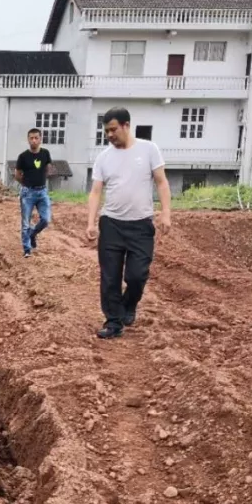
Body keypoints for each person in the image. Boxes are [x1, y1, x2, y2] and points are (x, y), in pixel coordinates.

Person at [86, 107, 172, 340]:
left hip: (141, 224)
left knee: (137, 275)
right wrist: (91, 222)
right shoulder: (104, 157)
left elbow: (162, 183)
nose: (110, 135)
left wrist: (165, 213)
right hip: (111, 223)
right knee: (110, 277)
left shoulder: (148, 150)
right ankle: (113, 321)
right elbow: (95, 192)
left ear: (126, 125)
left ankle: (129, 304)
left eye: (113, 129)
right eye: (106, 131)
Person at [15, 128, 52, 258]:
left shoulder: (45, 154)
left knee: (46, 219)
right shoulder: (23, 157)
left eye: (36, 138)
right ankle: (27, 249)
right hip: (28, 192)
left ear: (40, 139)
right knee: (25, 222)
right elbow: (17, 175)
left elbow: (47, 169)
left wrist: (40, 180)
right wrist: (26, 184)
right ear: (28, 139)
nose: (34, 140)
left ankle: (32, 234)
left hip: (42, 191)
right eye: (31, 138)